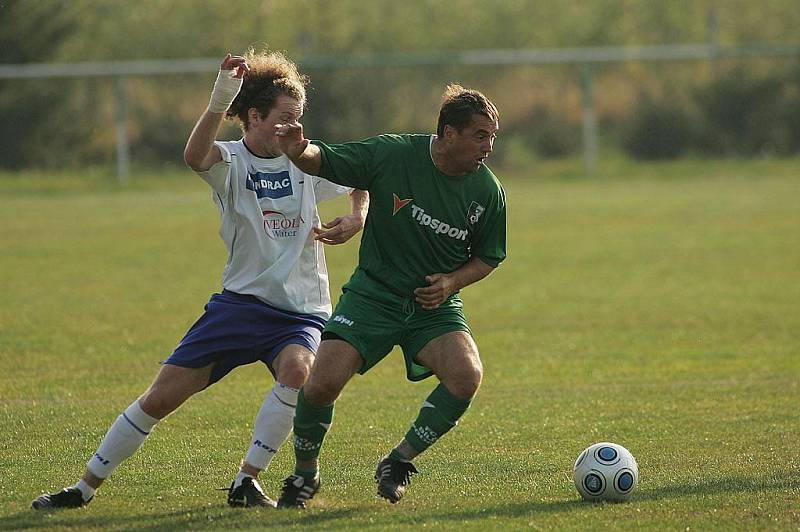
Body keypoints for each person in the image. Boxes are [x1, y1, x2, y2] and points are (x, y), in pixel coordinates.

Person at [31, 49, 368, 510]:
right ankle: (84, 487)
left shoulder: (307, 159)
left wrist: (357, 218)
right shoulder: (231, 161)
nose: (294, 128)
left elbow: (361, 178)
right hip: (240, 305)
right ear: (253, 116)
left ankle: (247, 480)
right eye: (284, 118)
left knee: (298, 372)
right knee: (160, 398)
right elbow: (194, 156)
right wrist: (218, 99)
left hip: (300, 310)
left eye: (299, 118)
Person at [272, 84, 506, 508]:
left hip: (432, 307)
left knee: (466, 376)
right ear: (448, 133)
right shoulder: (394, 154)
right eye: (480, 136)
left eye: (492, 137)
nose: (489, 147)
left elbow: (489, 256)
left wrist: (451, 283)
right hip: (374, 295)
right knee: (321, 383)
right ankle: (305, 474)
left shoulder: (487, 192)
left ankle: (398, 461)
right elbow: (324, 158)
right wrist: (296, 150)